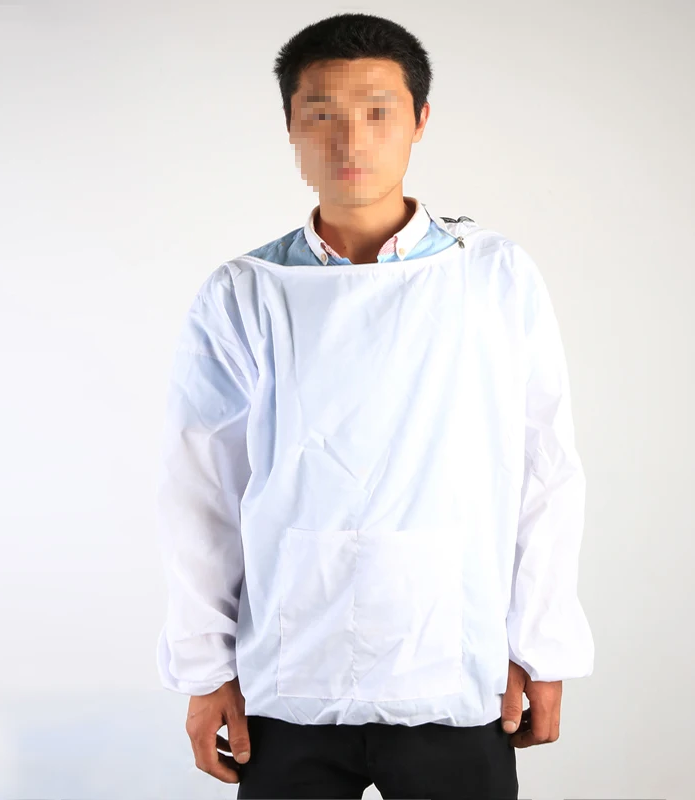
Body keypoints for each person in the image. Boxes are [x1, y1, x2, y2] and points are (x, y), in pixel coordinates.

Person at [155, 12, 594, 800]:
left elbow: (545, 469)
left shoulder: (491, 277)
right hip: (286, 676)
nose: (350, 141)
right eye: (322, 113)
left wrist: (542, 647)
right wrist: (205, 668)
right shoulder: (245, 293)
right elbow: (202, 490)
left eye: (377, 112)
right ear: (290, 126)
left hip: (452, 668)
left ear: (420, 120)